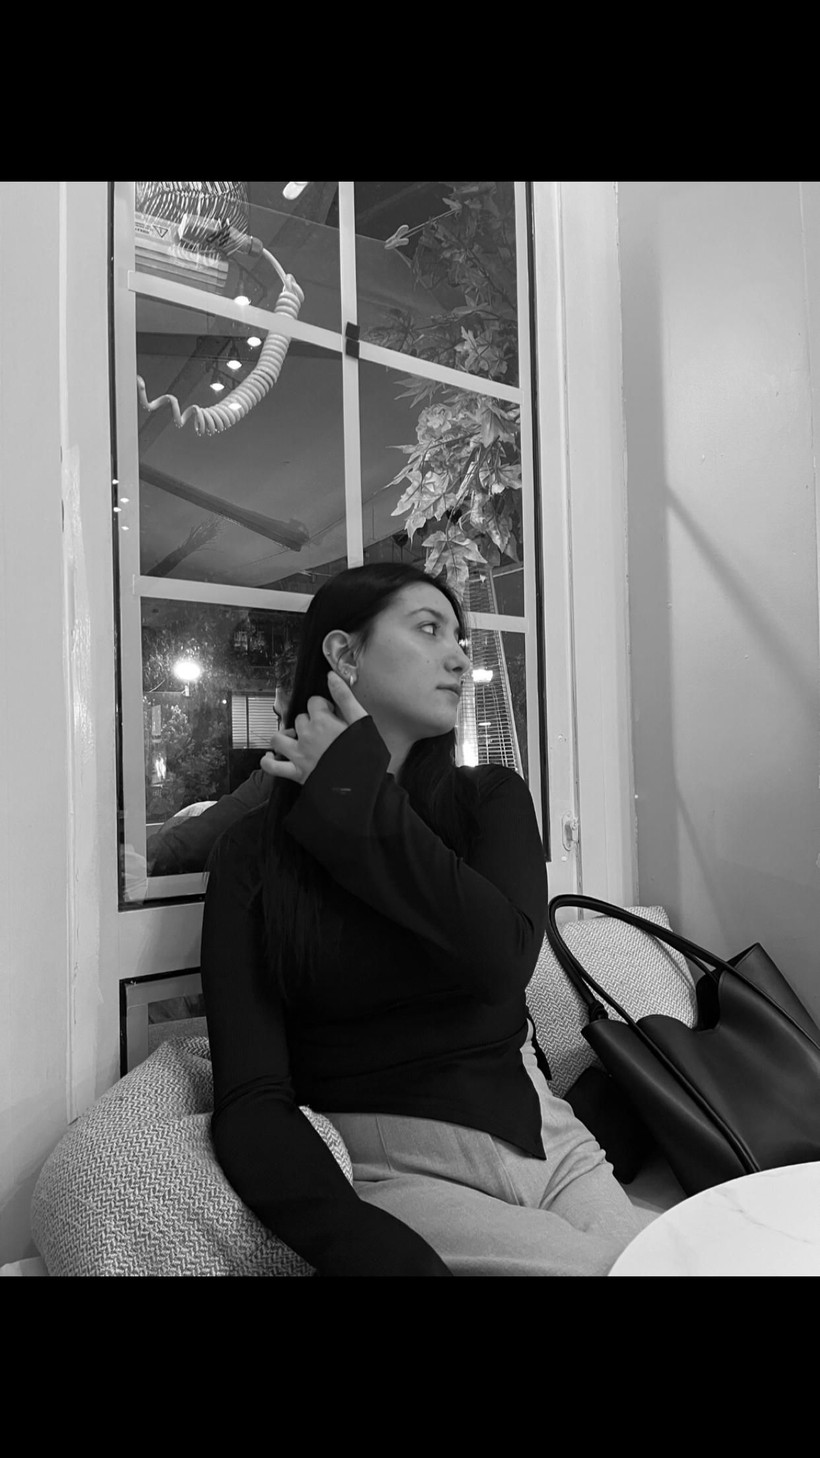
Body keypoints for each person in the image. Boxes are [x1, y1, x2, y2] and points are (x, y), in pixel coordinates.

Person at [200, 562, 653, 1276]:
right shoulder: (254, 856)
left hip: (548, 1138)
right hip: (393, 1165)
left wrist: (357, 792)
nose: (460, 658)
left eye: (460, 638)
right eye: (428, 629)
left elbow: (502, 962)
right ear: (345, 655)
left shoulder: (490, 799)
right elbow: (252, 1100)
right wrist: (359, 1242)